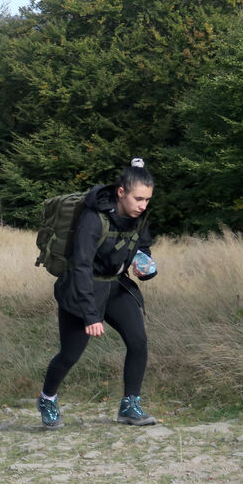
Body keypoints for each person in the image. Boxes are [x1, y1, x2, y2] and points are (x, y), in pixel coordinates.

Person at [38, 159, 158, 428]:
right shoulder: (93, 219)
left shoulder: (139, 219)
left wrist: (145, 264)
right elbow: (80, 266)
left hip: (116, 286)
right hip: (82, 288)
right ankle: (47, 397)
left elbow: (143, 247)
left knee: (138, 341)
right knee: (70, 354)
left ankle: (130, 406)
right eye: (138, 198)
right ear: (121, 193)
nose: (143, 205)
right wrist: (91, 315)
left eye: (147, 200)